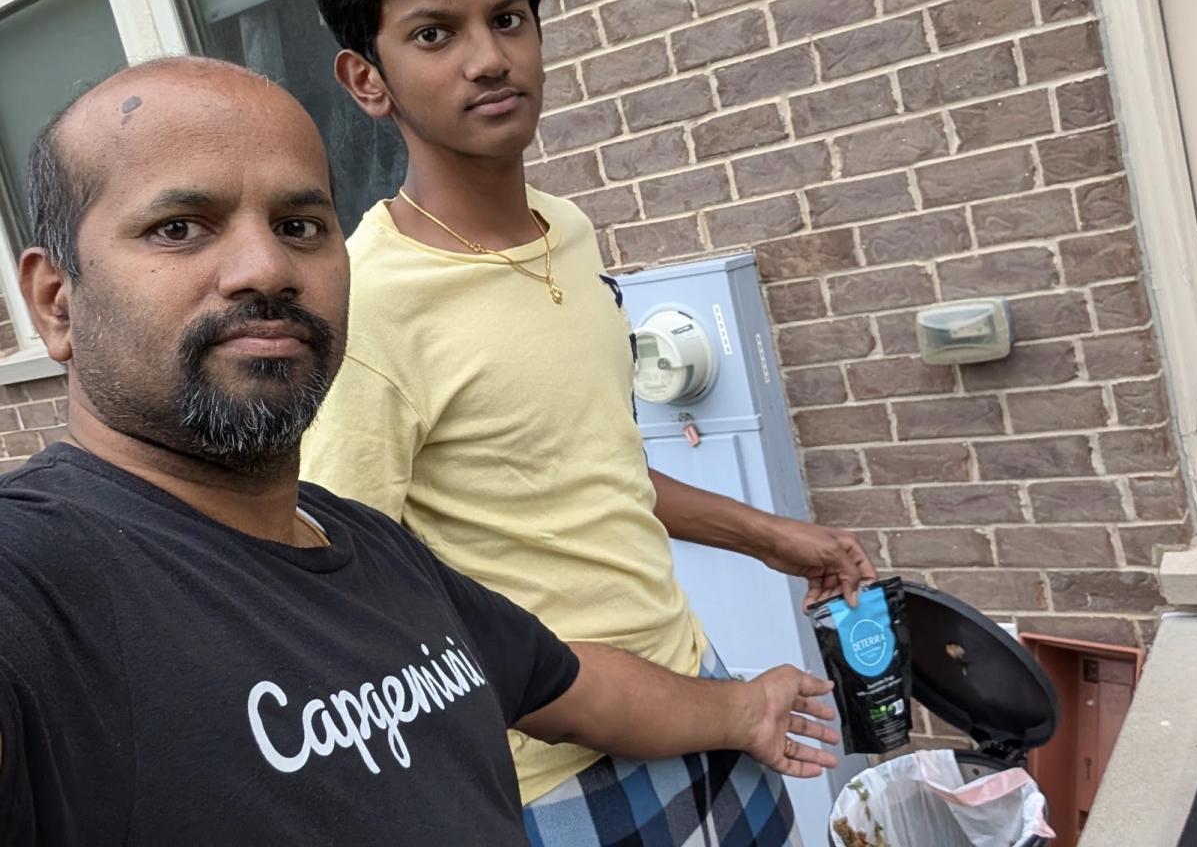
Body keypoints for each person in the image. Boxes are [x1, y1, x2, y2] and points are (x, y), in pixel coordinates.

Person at [0, 56, 840, 846]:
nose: (266, 267)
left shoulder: (368, 547)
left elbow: (567, 684)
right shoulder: (42, 586)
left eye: (299, 225)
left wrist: (745, 710)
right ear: (56, 301)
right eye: (180, 227)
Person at [300, 0, 878, 842]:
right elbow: (352, 600)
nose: (489, 58)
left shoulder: (565, 230)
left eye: (508, 18)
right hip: (556, 777)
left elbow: (590, 465)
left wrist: (769, 536)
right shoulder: (367, 309)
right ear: (368, 78)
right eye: (435, 34)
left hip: (697, 684)